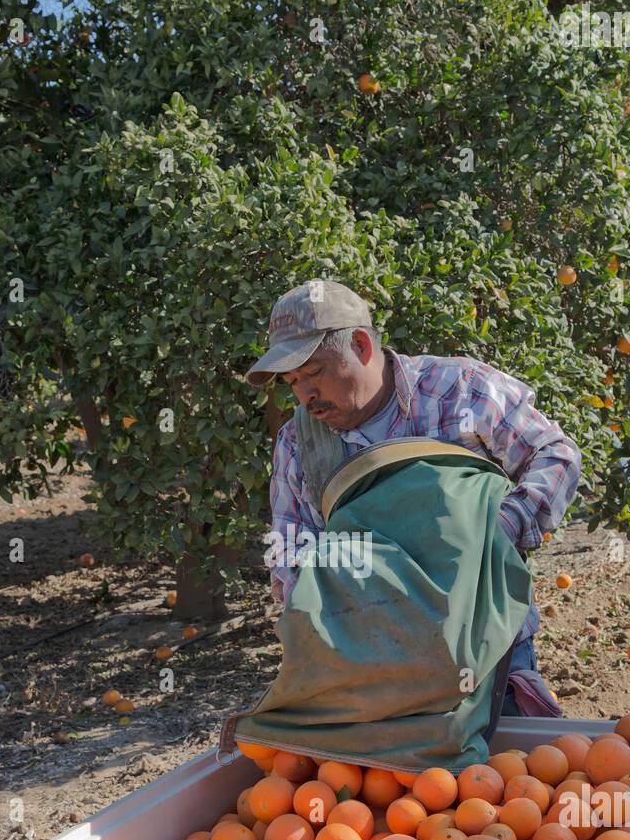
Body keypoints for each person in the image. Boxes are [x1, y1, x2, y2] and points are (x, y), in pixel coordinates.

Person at [247, 281, 581, 716]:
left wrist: (504, 527)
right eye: (293, 382)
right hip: (373, 669)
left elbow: (555, 453)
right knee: (394, 786)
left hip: (484, 652)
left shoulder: (457, 390)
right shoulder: (300, 441)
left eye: (314, 373)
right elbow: (290, 549)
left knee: (500, 778)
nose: (305, 394)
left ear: (362, 345)